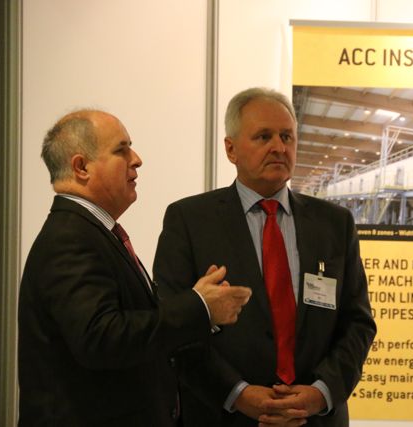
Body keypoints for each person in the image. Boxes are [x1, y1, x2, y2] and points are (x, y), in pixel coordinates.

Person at [153, 87, 376, 426]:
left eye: (287, 136)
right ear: (231, 149)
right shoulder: (189, 221)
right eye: (263, 136)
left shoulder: (335, 223)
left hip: (315, 418)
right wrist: (237, 394)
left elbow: (357, 322)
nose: (278, 147)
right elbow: (174, 326)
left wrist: (321, 393)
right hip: (223, 416)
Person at [17, 109, 252, 426]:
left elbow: (126, 325)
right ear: (81, 167)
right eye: (121, 150)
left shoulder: (92, 232)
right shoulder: (71, 238)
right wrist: (200, 307)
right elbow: (103, 339)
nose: (137, 159)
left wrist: (199, 304)